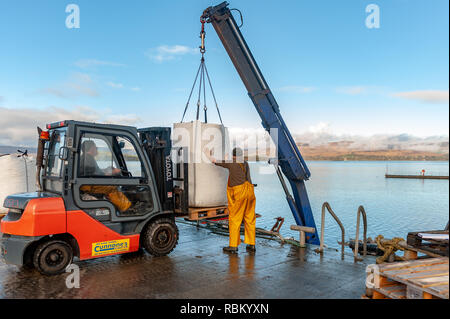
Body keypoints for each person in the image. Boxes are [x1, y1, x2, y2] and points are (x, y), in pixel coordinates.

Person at [206, 147, 256, 254]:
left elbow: (214, 161)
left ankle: (233, 246)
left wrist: (209, 154)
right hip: (250, 192)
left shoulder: (231, 163)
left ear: (233, 156)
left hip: (240, 193)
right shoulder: (245, 163)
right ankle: (251, 244)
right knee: (250, 218)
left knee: (235, 219)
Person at [79, 140, 132, 213]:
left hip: (89, 183)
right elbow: (98, 175)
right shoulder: (88, 158)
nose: (97, 149)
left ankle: (116, 207)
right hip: (89, 185)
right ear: (91, 148)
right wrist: (113, 172)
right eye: (95, 147)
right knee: (112, 188)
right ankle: (127, 209)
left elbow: (95, 171)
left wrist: (108, 169)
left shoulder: (86, 158)